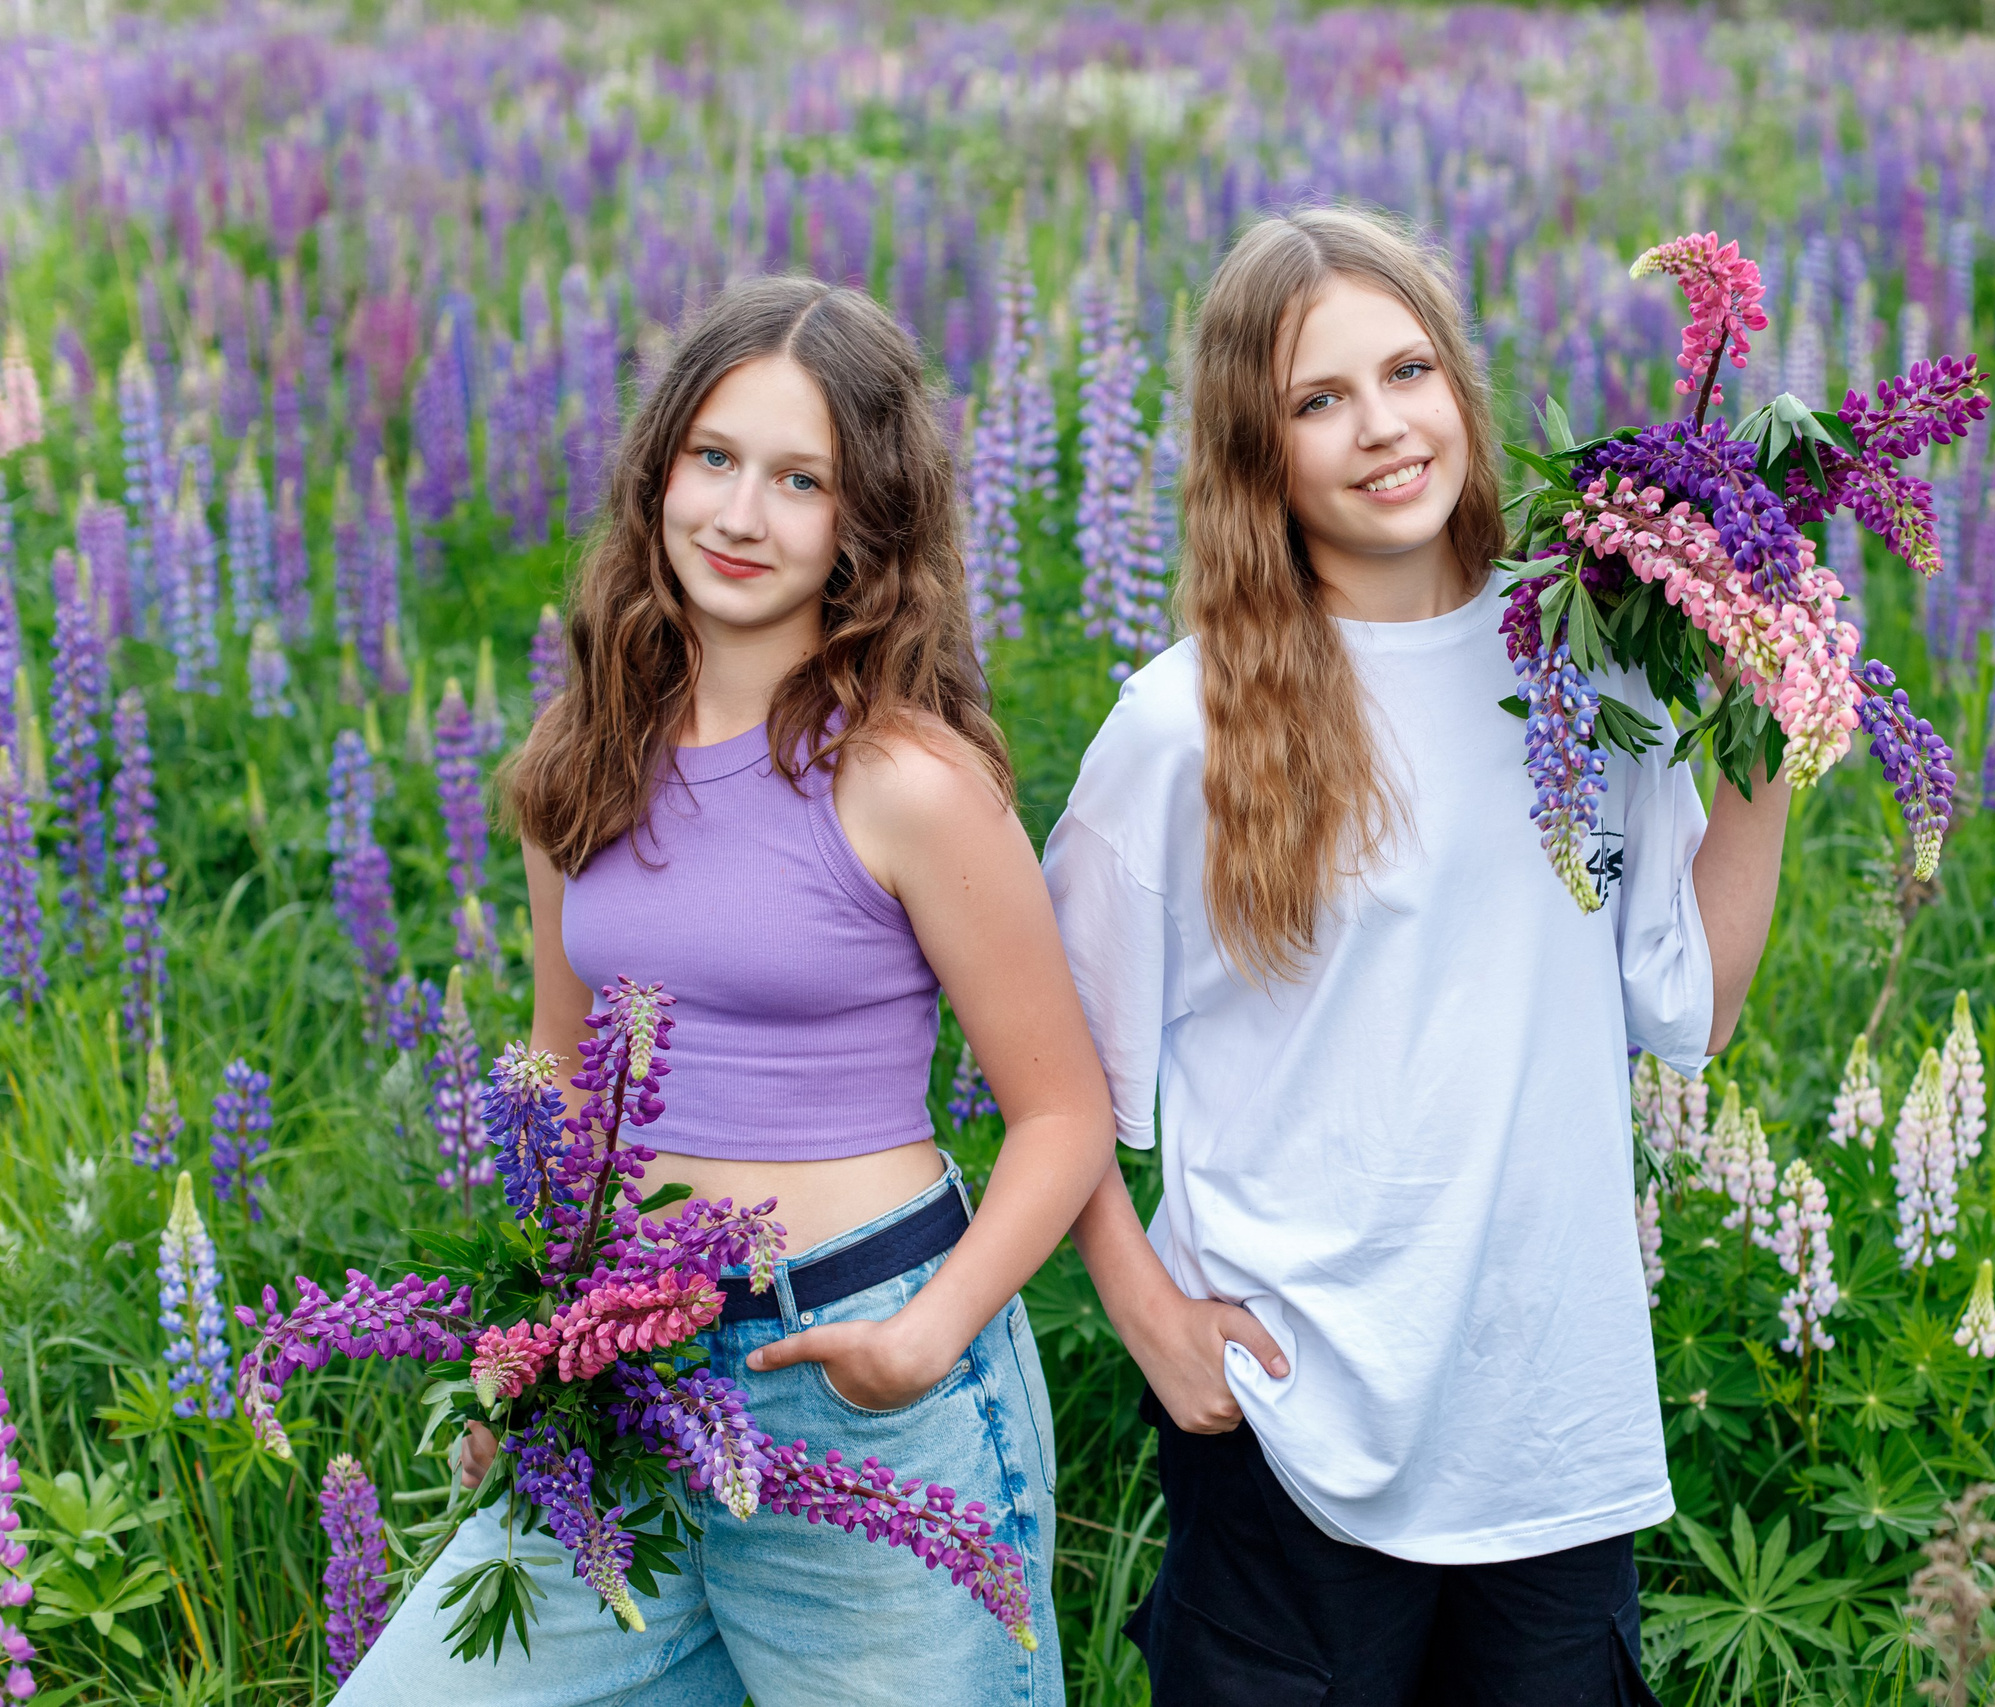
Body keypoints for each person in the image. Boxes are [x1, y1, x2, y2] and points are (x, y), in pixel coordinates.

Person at [1044, 207, 1792, 1705]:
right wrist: (1140, 1304)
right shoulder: (1180, 725)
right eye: (1318, 401)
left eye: (1407, 372)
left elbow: (1688, 1006)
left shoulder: (1589, 655)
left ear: (1460, 385)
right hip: (1292, 1427)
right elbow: (1051, 1062)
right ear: (1256, 452)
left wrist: (1762, 730)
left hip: (1548, 1427)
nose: (1382, 428)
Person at [337, 275, 1113, 1707]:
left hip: (863, 1387)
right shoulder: (582, 757)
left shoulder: (909, 781)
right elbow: (573, 1093)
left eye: (800, 479)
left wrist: (923, 1340)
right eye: (715, 459)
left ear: (863, 522)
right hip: (623, 1388)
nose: (741, 516)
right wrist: (536, 1353)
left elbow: (1062, 1112)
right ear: (659, 472)